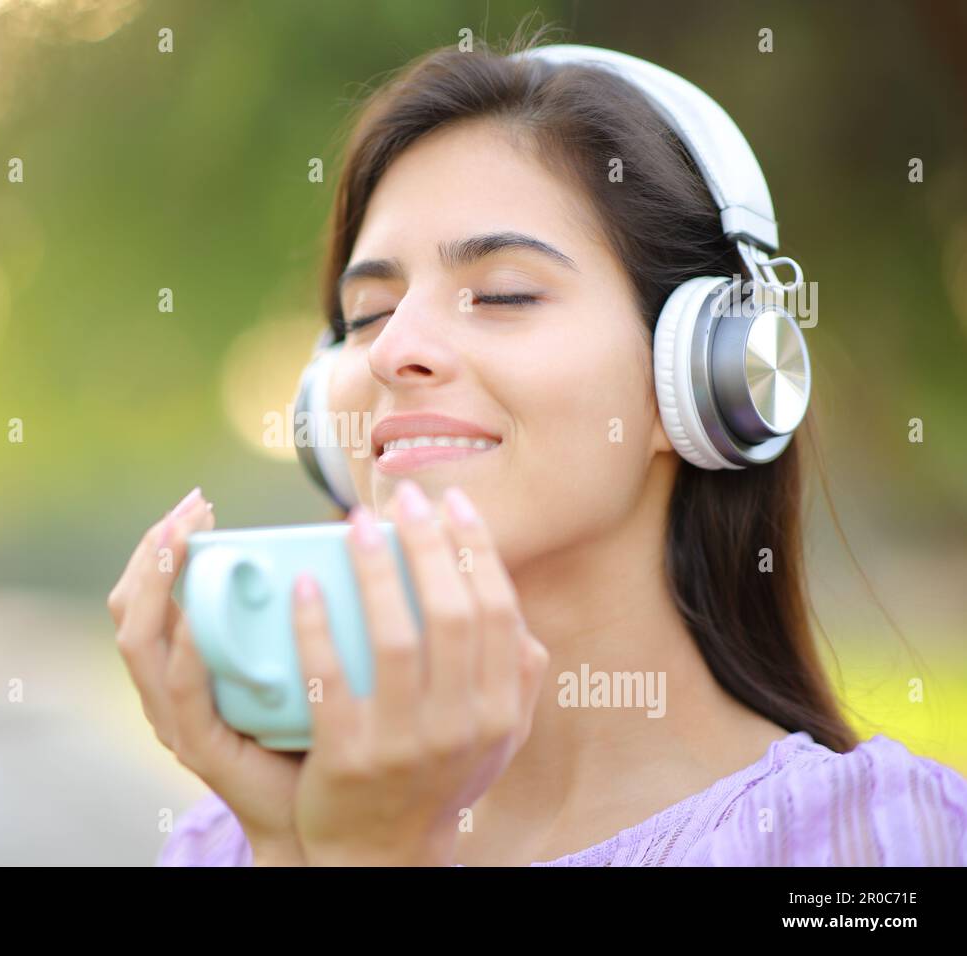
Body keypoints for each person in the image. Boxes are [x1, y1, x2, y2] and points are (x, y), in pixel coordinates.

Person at [106, 26, 967, 866]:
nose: (392, 348)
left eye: (503, 294)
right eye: (367, 313)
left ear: (708, 377)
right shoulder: (233, 840)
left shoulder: (885, 842)